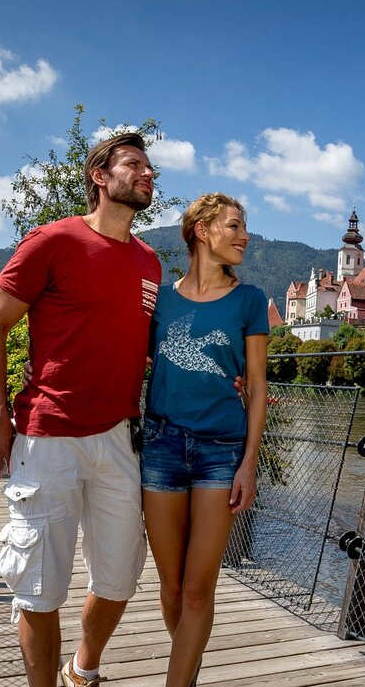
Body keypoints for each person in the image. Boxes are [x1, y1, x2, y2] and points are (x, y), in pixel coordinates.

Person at [0, 132, 160, 687]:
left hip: (120, 438)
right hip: (47, 436)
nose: (147, 174)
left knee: (121, 578)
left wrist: (231, 376)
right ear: (100, 176)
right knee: (39, 588)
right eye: (134, 164)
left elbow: (151, 344)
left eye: (150, 167)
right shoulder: (52, 240)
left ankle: (83, 668)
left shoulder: (149, 261)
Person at [141, 193, 268, 687]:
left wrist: (249, 462)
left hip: (221, 452)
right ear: (201, 229)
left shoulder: (250, 300)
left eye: (244, 227)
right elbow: (125, 357)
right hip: (162, 446)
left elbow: (256, 385)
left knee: (197, 591)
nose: (244, 236)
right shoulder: (161, 300)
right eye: (234, 226)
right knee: (171, 589)